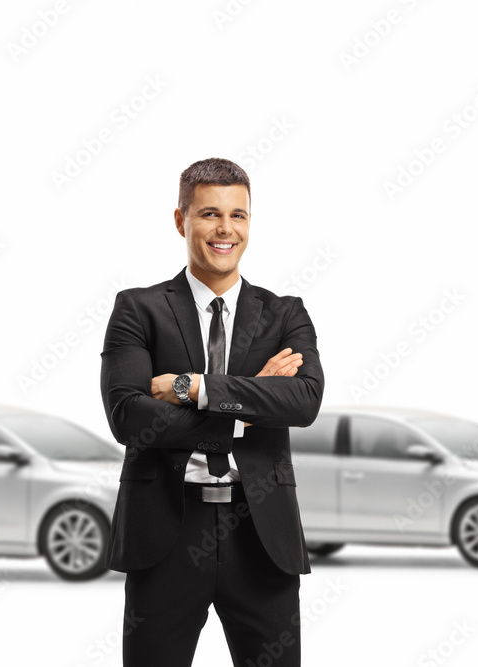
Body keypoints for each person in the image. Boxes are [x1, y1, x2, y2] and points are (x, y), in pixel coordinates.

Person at [99, 157, 325, 667]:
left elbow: (304, 401)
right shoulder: (138, 309)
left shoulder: (286, 312)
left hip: (261, 531)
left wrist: (194, 388)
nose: (225, 229)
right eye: (209, 214)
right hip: (165, 531)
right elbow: (129, 418)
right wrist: (250, 406)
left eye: (238, 215)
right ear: (181, 220)